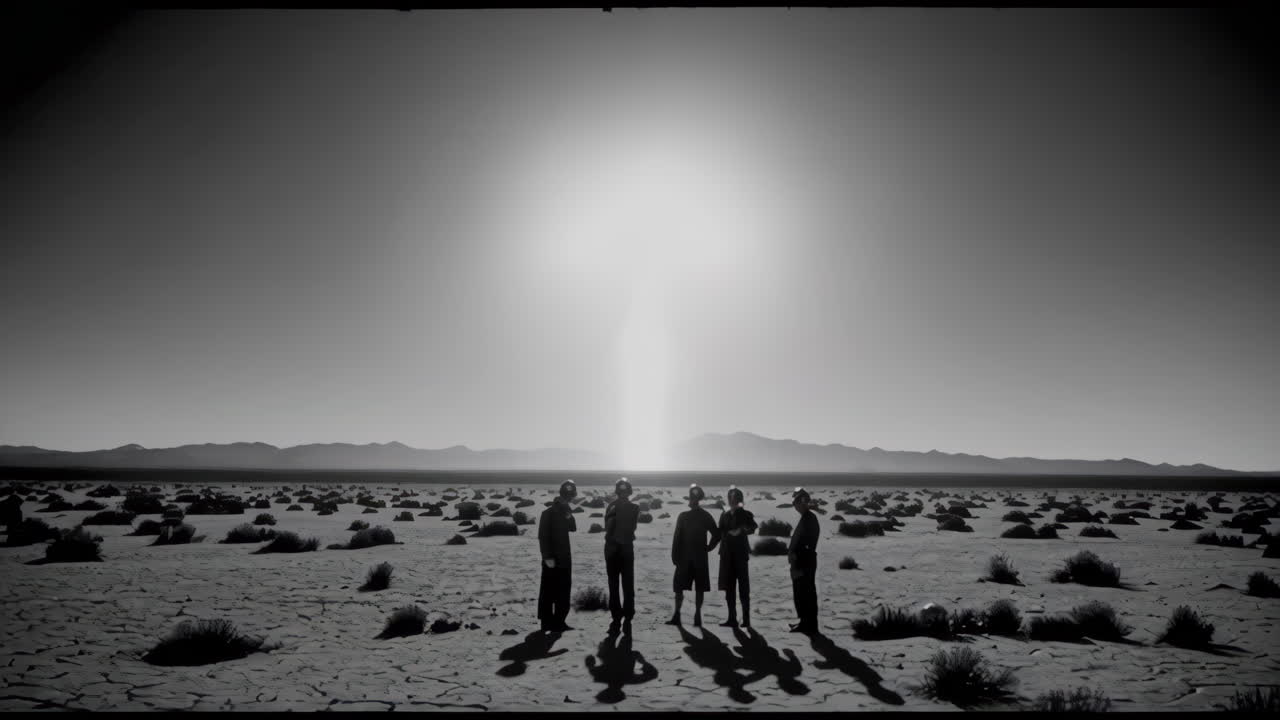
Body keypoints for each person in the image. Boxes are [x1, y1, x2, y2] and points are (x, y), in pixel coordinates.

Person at [665, 483, 722, 627]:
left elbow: (677, 539)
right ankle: (694, 616)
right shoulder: (703, 515)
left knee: (683, 587)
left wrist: (675, 556)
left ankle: (681, 615)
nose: (691, 501)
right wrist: (708, 548)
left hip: (686, 557)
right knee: (695, 587)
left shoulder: (684, 516)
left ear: (693, 500)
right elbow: (716, 535)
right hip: (696, 557)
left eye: (692, 498)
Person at [537, 479, 578, 632]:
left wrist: (569, 515)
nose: (568, 500)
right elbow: (543, 537)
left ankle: (560, 621)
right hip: (552, 558)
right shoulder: (547, 513)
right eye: (567, 497)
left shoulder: (566, 512)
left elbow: (573, 528)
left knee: (564, 590)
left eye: (570, 497)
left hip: (564, 557)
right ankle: (546, 622)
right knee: (548, 590)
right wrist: (547, 556)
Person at [717, 485, 757, 628]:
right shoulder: (725, 514)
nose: (732, 500)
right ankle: (732, 618)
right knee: (729, 588)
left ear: (739, 499)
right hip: (727, 555)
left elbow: (753, 527)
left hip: (740, 554)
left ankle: (746, 619)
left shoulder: (745, 514)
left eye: (734, 498)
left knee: (744, 588)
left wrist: (741, 529)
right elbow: (720, 531)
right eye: (730, 497)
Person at [604, 477, 640, 635]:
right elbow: (632, 527)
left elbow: (607, 527)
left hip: (612, 548)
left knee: (614, 583)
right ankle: (628, 613)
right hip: (625, 548)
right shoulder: (635, 507)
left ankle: (617, 615)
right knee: (627, 582)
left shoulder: (611, 506)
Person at [787, 487, 820, 634]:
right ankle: (804, 622)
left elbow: (807, 543)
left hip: (804, 561)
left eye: (797, 503)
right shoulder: (806, 518)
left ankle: (809, 624)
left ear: (803, 503)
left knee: (806, 593)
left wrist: (797, 559)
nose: (795, 506)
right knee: (801, 592)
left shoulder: (809, 519)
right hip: (802, 560)